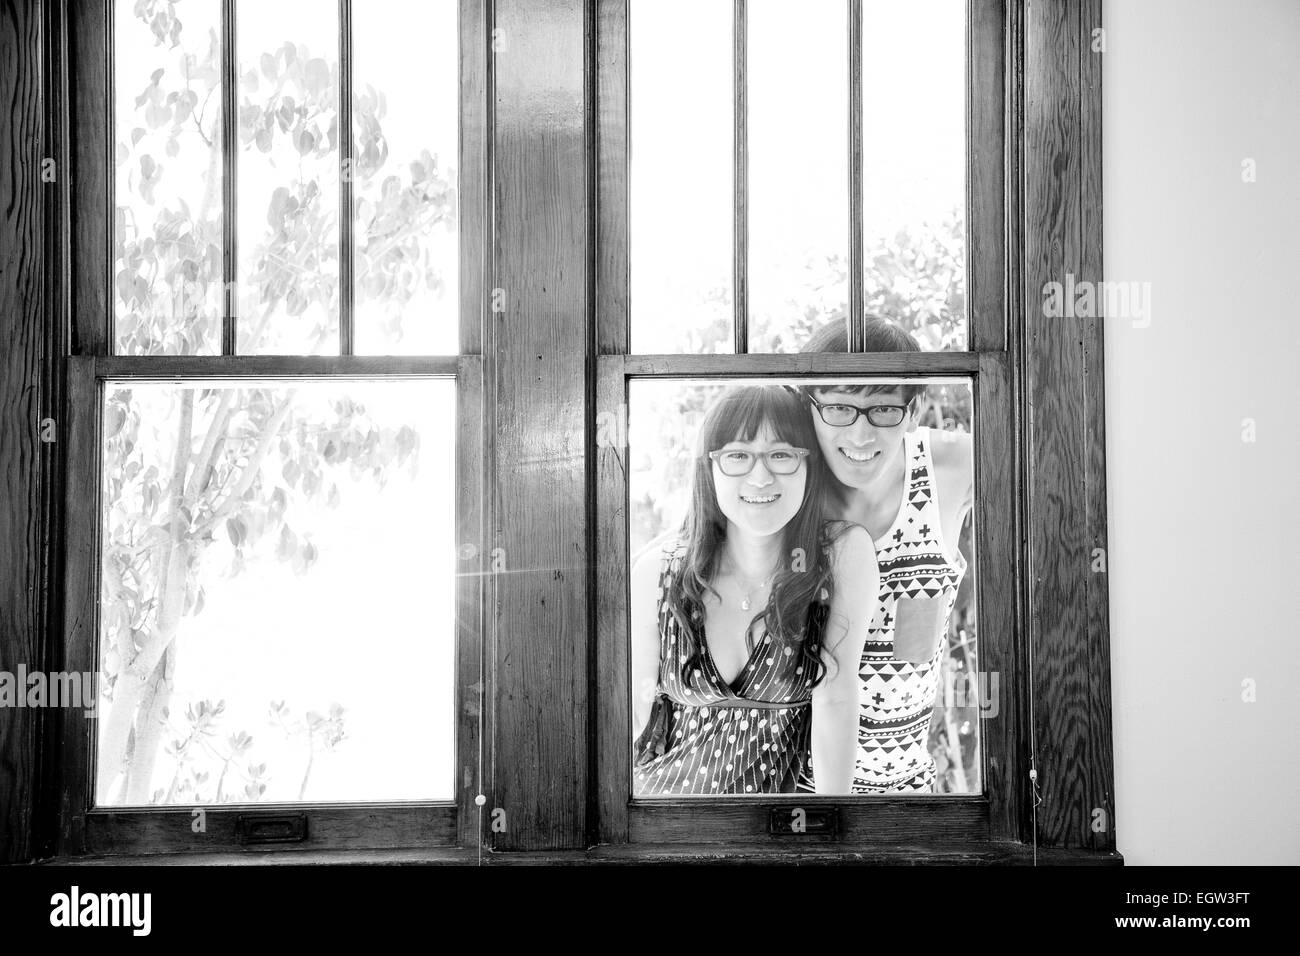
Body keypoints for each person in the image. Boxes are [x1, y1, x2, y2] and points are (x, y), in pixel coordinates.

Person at [630, 384, 877, 795]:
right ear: (709, 468)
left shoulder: (840, 554)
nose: (760, 476)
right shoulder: (659, 570)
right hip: (663, 820)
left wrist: (833, 835)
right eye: (738, 456)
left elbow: (836, 696)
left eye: (781, 454)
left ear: (808, 465)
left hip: (775, 835)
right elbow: (634, 716)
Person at [798, 317, 974, 793]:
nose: (859, 436)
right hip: (791, 790)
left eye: (881, 411)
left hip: (906, 795)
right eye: (838, 408)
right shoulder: (788, 484)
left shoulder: (953, 468)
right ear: (809, 407)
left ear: (913, 410)